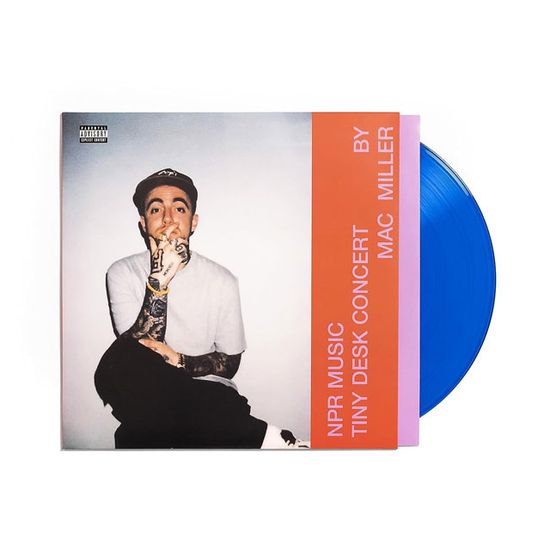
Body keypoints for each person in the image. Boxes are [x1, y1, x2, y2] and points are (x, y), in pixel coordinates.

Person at [95, 168, 308, 449]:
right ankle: (267, 438)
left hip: (208, 393)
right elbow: (137, 356)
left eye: (179, 208)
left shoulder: (222, 279)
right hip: (166, 400)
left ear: (193, 222)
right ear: (143, 223)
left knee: (153, 421)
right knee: (121, 371)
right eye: (156, 209)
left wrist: (179, 360)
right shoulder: (122, 272)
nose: (168, 218)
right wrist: (159, 281)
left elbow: (230, 364)